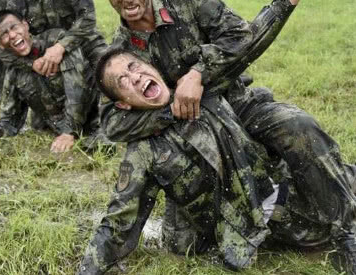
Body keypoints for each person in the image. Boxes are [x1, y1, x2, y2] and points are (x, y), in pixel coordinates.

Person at [96, 0, 356, 273]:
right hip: (196, 140)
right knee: (186, 245)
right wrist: (175, 107)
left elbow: (241, 35)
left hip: (240, 105)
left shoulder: (185, 1)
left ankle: (345, 227)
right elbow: (112, 123)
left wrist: (198, 74)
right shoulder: (119, 59)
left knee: (297, 125)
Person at [78, 49, 356, 274]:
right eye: (123, 81)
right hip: (252, 226)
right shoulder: (142, 152)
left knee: (336, 200)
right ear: (123, 104)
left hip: (283, 190)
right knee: (311, 233)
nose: (135, 78)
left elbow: (245, 47)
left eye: (134, 67)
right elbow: (117, 221)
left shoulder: (205, 90)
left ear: (152, 67)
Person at [0, 10, 100, 154]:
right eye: (4, 34)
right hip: (59, 128)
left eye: (14, 27)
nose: (12, 35)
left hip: (94, 119)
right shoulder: (13, 73)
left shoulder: (56, 45)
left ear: (25, 25)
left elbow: (78, 90)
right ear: (0, 45)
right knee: (37, 125)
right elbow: (10, 120)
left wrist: (69, 132)